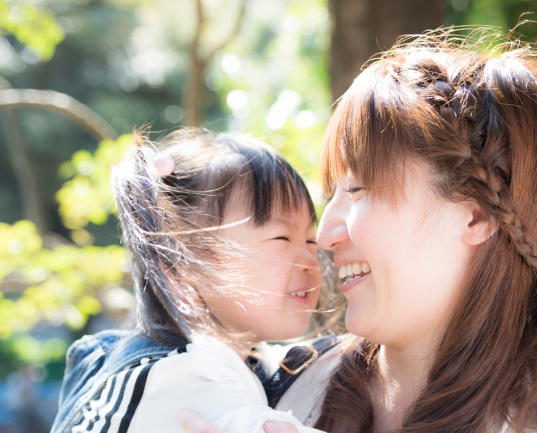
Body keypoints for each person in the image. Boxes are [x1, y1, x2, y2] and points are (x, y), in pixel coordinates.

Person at [181, 30, 537, 433]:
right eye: (331, 194)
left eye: (357, 188)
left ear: (475, 215)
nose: (324, 235)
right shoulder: (266, 389)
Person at [50, 129, 345, 433]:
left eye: (311, 241)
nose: (311, 261)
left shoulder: (221, 360)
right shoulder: (183, 377)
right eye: (281, 237)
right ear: (183, 266)